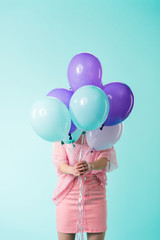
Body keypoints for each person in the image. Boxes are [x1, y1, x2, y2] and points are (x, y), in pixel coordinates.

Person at [52, 133, 118, 240]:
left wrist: (90, 166)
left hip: (95, 196)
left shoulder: (102, 130)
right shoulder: (63, 130)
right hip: (68, 196)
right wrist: (72, 170)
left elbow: (105, 158)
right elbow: (59, 163)